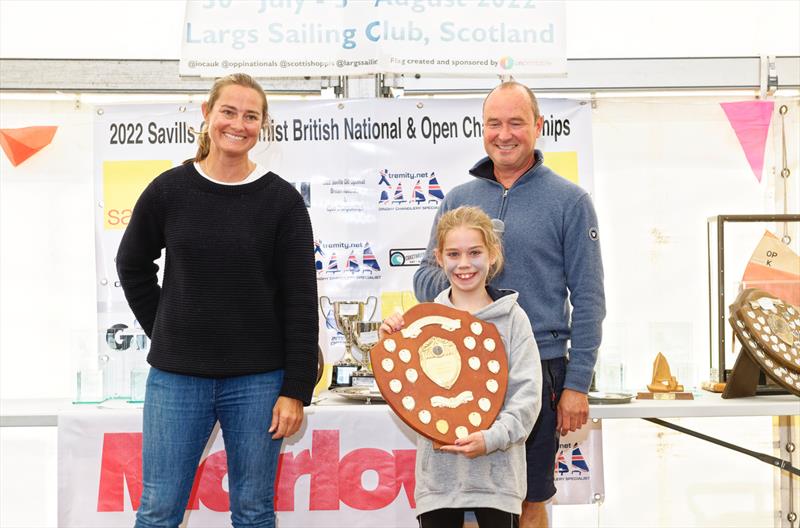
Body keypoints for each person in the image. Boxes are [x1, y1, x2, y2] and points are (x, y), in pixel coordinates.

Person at [116, 73, 318, 528]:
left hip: (259, 383)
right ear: (207, 115)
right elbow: (132, 265)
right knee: (158, 510)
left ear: (262, 126)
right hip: (176, 380)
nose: (238, 124)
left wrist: (295, 389)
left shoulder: (282, 202)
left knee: (252, 511)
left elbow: (301, 301)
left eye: (251, 116)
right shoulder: (169, 190)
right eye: (229, 111)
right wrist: (167, 330)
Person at [413, 81, 605, 528]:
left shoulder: (570, 201)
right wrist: (469, 276)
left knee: (528, 497)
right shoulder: (458, 200)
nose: (504, 134)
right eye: (494, 123)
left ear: (538, 126)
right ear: (482, 128)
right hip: (457, 366)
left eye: (516, 122)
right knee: (455, 499)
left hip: (537, 366)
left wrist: (577, 383)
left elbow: (590, 298)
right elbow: (424, 277)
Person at [382, 206, 542, 528]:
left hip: (498, 481)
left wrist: (493, 437)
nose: (464, 264)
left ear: (493, 254)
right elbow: (408, 395)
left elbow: (527, 397)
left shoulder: (513, 319)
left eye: (475, 252)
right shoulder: (422, 322)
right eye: (454, 253)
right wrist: (392, 347)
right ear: (439, 257)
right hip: (439, 484)